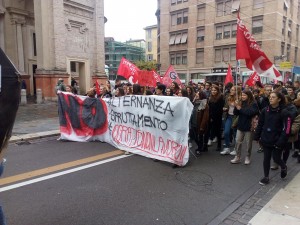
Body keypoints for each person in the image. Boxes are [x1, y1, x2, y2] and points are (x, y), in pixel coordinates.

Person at [254, 91, 289, 185]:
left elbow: (287, 129)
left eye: (273, 97)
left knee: (276, 158)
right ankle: (266, 177)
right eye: (270, 97)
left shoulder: (284, 112)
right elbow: (260, 124)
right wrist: (257, 136)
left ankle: (283, 166)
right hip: (266, 138)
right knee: (266, 158)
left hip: (278, 140)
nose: (270, 98)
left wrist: (281, 141)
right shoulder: (265, 110)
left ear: (279, 99)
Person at [230, 90, 258, 165]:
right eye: (242, 95)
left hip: (249, 126)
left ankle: (247, 156)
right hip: (240, 125)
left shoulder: (254, 103)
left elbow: (250, 113)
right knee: (238, 142)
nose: (242, 97)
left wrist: (240, 109)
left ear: (249, 96)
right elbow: (235, 113)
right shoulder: (240, 102)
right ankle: (237, 157)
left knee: (248, 143)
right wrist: (236, 107)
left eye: (244, 95)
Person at [220, 85, 241, 155]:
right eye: (231, 90)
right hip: (228, 116)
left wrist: (237, 105)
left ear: (237, 91)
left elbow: (240, 110)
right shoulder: (228, 97)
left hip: (236, 118)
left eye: (233, 90)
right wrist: (225, 108)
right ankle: (227, 148)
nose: (231, 91)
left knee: (235, 134)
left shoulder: (240, 99)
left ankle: (236, 149)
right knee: (226, 132)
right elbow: (225, 106)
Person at [204, 86, 224, 151]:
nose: (213, 91)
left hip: (217, 118)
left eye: (215, 90)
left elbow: (219, 110)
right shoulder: (210, 98)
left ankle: (219, 145)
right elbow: (209, 108)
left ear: (218, 91)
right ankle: (205, 145)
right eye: (212, 90)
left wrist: (213, 117)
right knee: (207, 131)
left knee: (217, 132)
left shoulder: (220, 98)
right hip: (210, 117)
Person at [191, 91, 209, 155]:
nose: (196, 95)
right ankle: (200, 146)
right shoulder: (194, 103)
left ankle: (199, 148)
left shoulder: (204, 104)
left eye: (198, 95)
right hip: (193, 122)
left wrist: (202, 126)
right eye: (196, 94)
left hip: (199, 124)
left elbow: (205, 117)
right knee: (194, 136)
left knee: (200, 137)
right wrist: (193, 101)